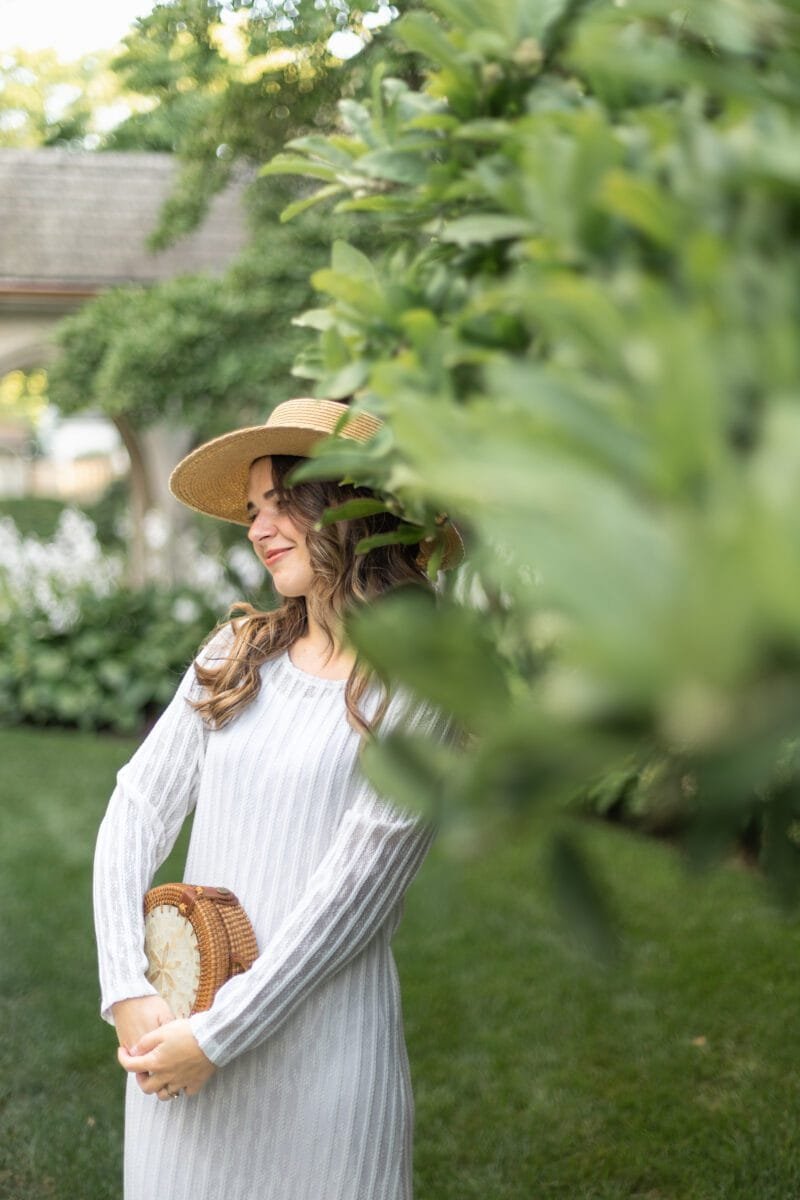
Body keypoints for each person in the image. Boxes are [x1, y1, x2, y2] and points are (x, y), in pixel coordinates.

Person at [93, 397, 464, 1200]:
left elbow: (351, 899)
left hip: (321, 1069)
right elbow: (135, 807)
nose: (260, 528)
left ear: (354, 506)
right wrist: (126, 985)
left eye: (284, 500)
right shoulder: (237, 653)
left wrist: (218, 1037)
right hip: (180, 1046)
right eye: (254, 508)